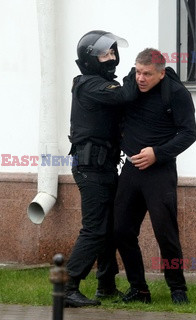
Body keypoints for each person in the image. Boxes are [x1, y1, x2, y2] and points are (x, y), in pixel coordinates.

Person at [114, 48, 196, 304]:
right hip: (130, 170)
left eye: (147, 74)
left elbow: (188, 134)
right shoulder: (130, 85)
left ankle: (177, 288)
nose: (141, 78)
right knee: (121, 230)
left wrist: (157, 154)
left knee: (166, 233)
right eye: (138, 71)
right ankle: (139, 289)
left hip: (160, 172)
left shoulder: (177, 93)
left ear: (161, 74)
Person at [65, 30, 137, 307]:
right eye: (105, 54)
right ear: (89, 59)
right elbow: (125, 96)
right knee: (94, 229)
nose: (112, 58)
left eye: (113, 53)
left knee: (109, 228)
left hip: (105, 165)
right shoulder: (90, 85)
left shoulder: (100, 83)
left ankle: (106, 286)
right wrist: (136, 73)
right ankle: (69, 286)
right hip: (90, 167)